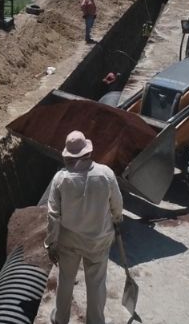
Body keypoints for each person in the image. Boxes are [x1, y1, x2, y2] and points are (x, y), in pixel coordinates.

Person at [45, 131, 123, 324]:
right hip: (98, 241)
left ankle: (60, 319)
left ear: (68, 156)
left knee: (65, 280)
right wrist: (117, 219)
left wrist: (51, 244)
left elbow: (53, 216)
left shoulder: (60, 179)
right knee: (96, 285)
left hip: (69, 242)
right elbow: (117, 206)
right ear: (88, 152)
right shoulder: (106, 174)